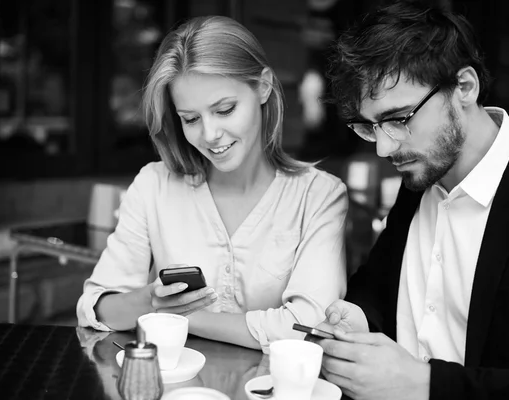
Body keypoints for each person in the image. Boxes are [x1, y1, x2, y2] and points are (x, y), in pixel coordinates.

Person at [314, 1, 509, 399]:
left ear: (464, 87)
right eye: (371, 126)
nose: (383, 147)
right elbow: (378, 285)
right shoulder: (421, 173)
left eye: (399, 119)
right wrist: (359, 316)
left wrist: (426, 385)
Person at [76, 15, 348, 352]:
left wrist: (181, 316)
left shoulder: (319, 195)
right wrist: (149, 300)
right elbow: (95, 308)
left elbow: (308, 328)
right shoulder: (153, 186)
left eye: (225, 109)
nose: (209, 134)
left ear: (263, 86)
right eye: (190, 119)